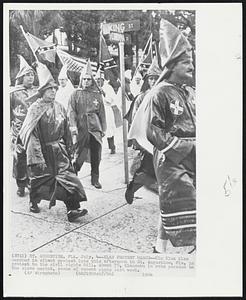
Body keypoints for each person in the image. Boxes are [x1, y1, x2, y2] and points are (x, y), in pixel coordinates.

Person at [129, 19, 196, 253]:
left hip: (191, 156)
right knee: (188, 200)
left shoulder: (188, 93)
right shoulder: (160, 93)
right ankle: (193, 248)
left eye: (192, 61)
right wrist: (185, 148)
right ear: (171, 65)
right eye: (186, 62)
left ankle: (160, 247)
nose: (192, 66)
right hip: (171, 160)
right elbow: (153, 131)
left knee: (170, 205)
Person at [19, 63, 88, 222]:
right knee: (41, 179)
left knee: (69, 177)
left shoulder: (60, 107)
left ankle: (72, 209)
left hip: (60, 151)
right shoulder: (34, 109)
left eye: (55, 89)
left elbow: (65, 131)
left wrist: (70, 150)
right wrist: (36, 157)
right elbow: (31, 135)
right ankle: (34, 199)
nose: (53, 91)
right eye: (50, 89)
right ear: (42, 91)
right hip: (43, 151)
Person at [125, 56, 162, 204]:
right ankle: (133, 188)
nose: (153, 81)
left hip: (162, 138)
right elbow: (135, 120)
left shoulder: (164, 95)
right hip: (148, 138)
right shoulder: (142, 97)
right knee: (146, 168)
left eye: (156, 78)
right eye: (151, 79)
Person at [68, 60, 106, 189]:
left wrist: (103, 128)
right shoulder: (75, 94)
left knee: (96, 155)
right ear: (81, 80)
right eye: (84, 79)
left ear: (92, 81)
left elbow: (102, 113)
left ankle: (95, 178)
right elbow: (71, 112)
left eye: (88, 79)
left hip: (95, 129)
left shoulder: (97, 95)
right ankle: (73, 177)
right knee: (79, 154)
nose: (86, 82)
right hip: (81, 128)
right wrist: (73, 127)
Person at [10, 55, 38, 197]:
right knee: (20, 158)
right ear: (21, 77)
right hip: (19, 129)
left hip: (34, 129)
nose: (30, 77)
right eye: (27, 75)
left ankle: (30, 181)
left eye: (32, 74)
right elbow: (8, 113)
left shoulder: (38, 92)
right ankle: (21, 184)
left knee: (33, 157)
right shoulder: (13, 93)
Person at [95, 69, 117, 154]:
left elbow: (111, 100)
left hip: (107, 110)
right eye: (97, 80)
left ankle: (112, 147)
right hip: (98, 111)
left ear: (103, 80)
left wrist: (104, 93)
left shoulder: (108, 88)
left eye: (99, 80)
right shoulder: (95, 88)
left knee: (109, 129)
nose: (98, 81)